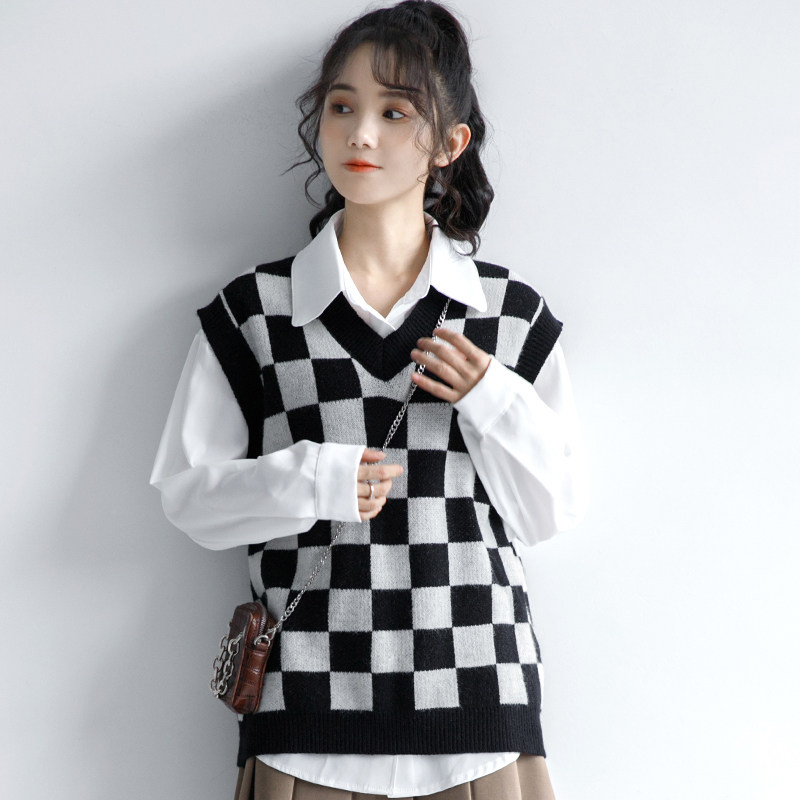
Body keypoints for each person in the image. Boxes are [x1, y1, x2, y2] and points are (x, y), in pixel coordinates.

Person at [151, 2, 587, 798]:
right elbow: (189, 497)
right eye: (342, 106)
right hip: (308, 722)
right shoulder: (255, 315)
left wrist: (490, 395)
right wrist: (314, 480)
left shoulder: (510, 317)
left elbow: (549, 512)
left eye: (395, 112)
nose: (360, 133)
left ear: (450, 143)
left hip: (478, 720)